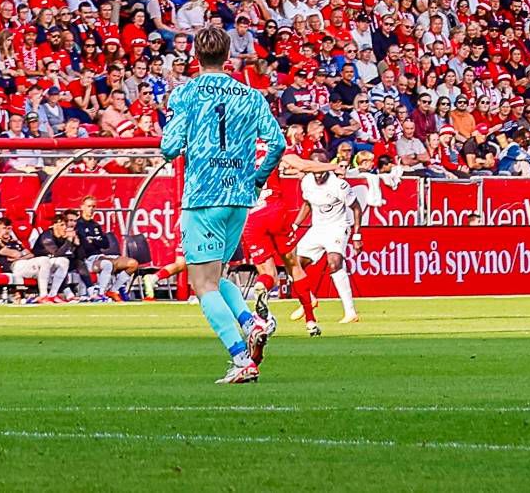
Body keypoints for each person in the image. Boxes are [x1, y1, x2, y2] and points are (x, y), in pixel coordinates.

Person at [158, 24, 288, 383]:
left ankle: (241, 357)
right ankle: (253, 321)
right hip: (240, 197)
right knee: (217, 276)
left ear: (195, 56)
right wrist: (258, 178)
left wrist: (180, 140)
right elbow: (277, 144)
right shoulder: (250, 96)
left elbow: (169, 147)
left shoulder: (186, 94)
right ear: (228, 56)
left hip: (203, 197)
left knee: (202, 285)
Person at [291, 146, 386, 329]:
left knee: (334, 262)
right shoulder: (307, 182)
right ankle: (309, 300)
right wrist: (295, 225)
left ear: (327, 166)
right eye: (313, 167)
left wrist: (357, 234)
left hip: (337, 227)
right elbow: (307, 204)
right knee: (294, 264)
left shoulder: (338, 185)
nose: (317, 173)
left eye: (321, 167)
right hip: (317, 227)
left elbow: (356, 208)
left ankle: (350, 312)